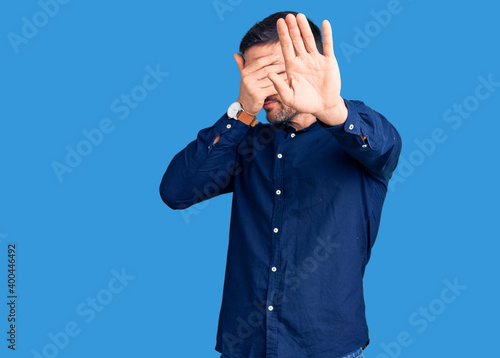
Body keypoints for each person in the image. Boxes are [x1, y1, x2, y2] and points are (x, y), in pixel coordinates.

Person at [159, 10, 402, 358]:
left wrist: (332, 107)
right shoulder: (246, 142)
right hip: (244, 345)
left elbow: (383, 145)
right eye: (256, 75)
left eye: (280, 71)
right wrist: (242, 110)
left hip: (326, 347)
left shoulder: (358, 135)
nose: (268, 86)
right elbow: (176, 191)